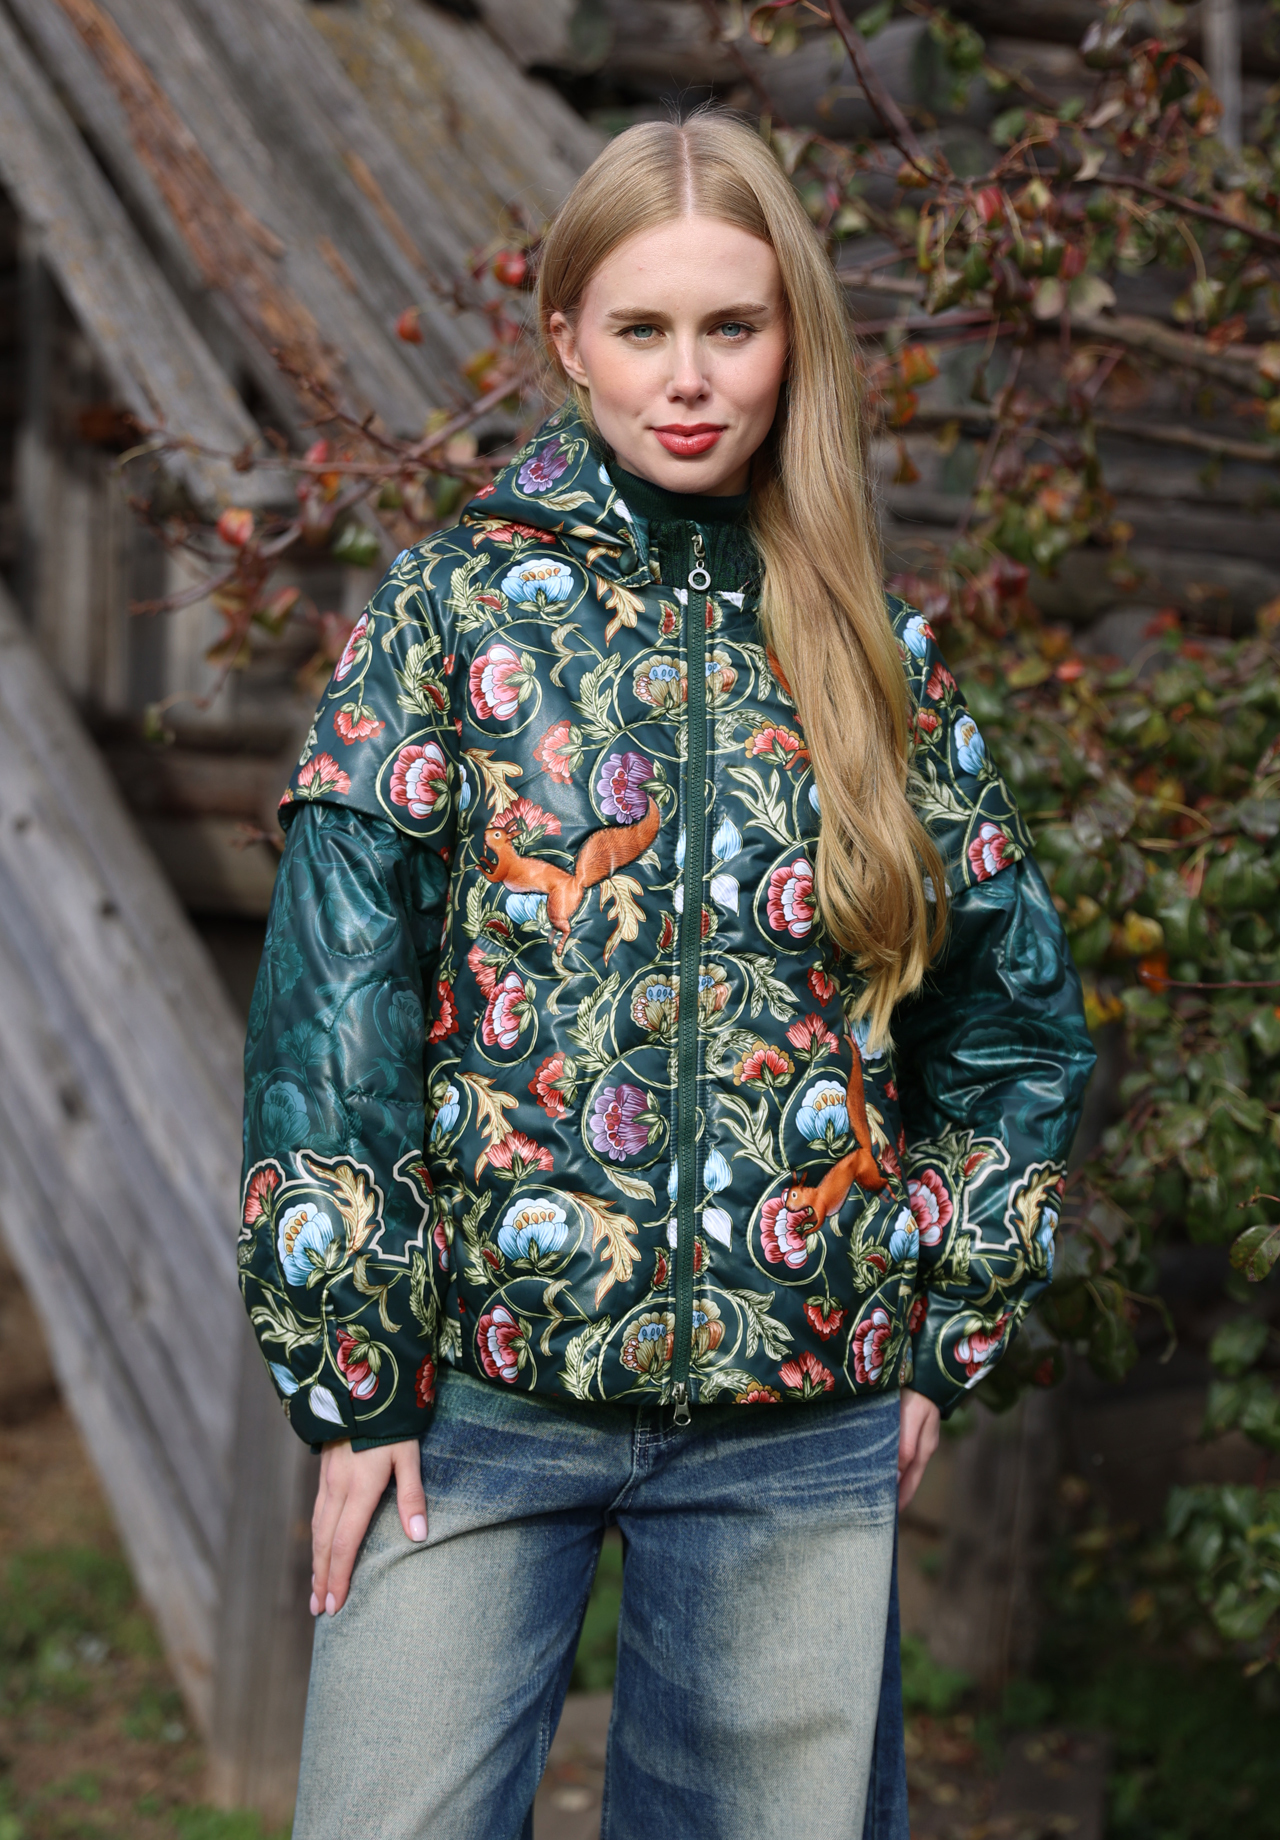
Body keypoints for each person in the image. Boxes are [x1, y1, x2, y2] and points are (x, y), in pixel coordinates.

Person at [238, 113, 1094, 1840]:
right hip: (472, 1405)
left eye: (733, 326)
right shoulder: (448, 616)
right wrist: (355, 1376)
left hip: (799, 1423)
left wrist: (935, 1330)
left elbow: (1012, 1025)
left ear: (793, 341)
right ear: (567, 339)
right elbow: (336, 1012)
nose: (689, 378)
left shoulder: (874, 651)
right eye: (643, 328)